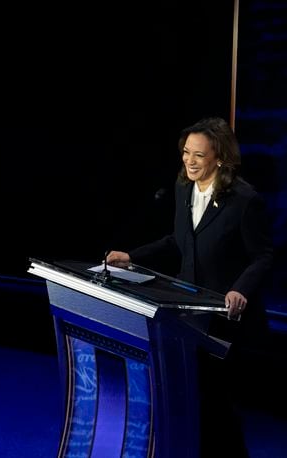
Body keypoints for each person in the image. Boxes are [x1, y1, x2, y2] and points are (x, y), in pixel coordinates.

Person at [107, 116, 274, 457]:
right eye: (186, 152)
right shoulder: (183, 187)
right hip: (186, 316)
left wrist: (240, 289)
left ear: (220, 158)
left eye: (199, 155)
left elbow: (263, 256)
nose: (190, 161)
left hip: (226, 321)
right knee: (192, 399)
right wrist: (132, 256)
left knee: (217, 404)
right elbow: (177, 240)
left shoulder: (244, 200)